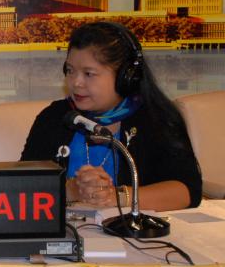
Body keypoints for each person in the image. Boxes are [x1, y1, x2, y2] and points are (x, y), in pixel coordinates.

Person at [21, 21, 201, 211]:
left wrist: (118, 196)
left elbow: (187, 191)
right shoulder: (55, 117)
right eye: (70, 71)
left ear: (125, 77)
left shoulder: (157, 119)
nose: (76, 82)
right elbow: (20, 186)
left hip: (131, 229)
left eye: (88, 74)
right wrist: (71, 190)